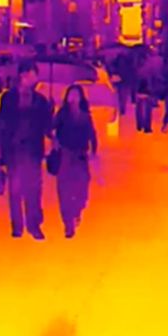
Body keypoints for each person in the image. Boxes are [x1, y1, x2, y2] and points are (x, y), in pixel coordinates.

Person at [0, 62, 53, 240]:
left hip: (33, 150)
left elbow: (46, 126)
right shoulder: (9, 98)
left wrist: (50, 111)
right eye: (33, 74)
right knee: (15, 189)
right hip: (14, 149)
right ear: (23, 75)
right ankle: (17, 226)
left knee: (33, 188)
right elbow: (3, 123)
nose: (36, 78)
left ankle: (34, 225)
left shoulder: (40, 100)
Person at [53, 85, 98, 238]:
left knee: (81, 189)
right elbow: (51, 128)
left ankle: (77, 210)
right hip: (65, 154)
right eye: (70, 95)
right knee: (64, 190)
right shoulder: (62, 114)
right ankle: (68, 223)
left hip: (80, 156)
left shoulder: (85, 116)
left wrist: (93, 151)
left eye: (76, 95)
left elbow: (92, 134)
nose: (73, 98)